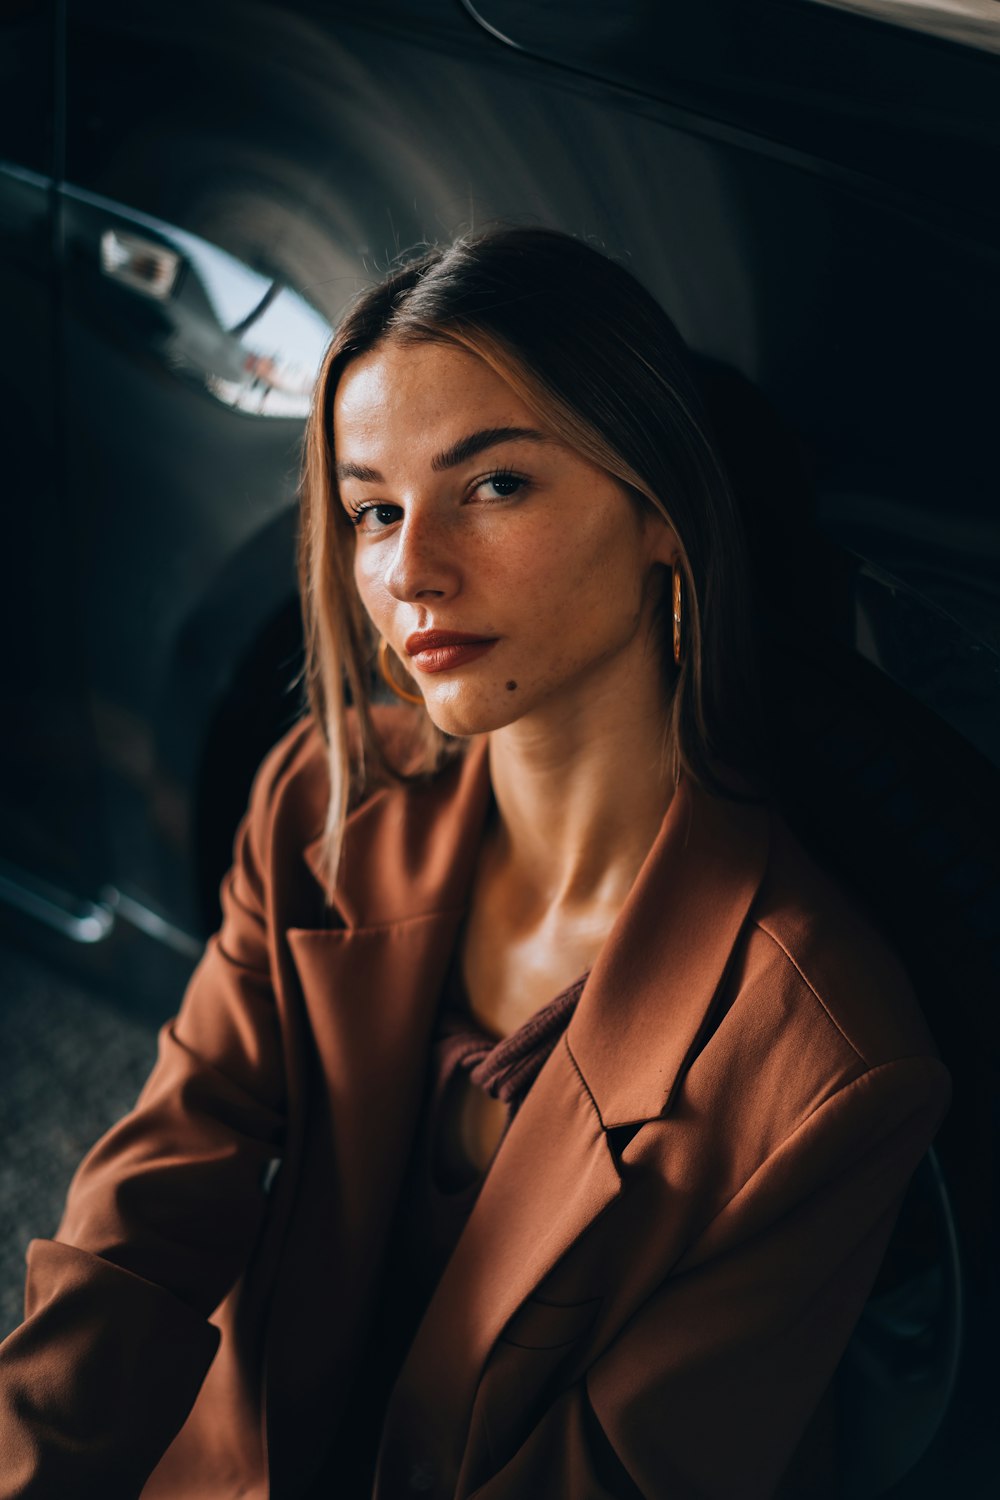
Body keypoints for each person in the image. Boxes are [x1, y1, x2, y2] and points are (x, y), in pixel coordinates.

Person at [0, 226, 950, 1499]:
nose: (406, 569)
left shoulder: (829, 1065)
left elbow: (612, 1477)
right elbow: (157, 1194)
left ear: (661, 514)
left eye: (492, 484)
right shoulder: (320, 802)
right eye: (372, 509)